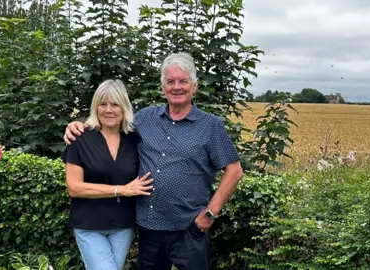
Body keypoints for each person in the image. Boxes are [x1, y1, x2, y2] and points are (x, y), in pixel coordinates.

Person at [63, 52, 243, 270]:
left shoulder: (210, 126)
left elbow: (234, 170)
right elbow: (110, 122)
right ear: (163, 88)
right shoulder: (144, 119)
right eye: (170, 82)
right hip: (149, 229)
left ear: (194, 87)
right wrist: (77, 125)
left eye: (183, 81)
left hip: (189, 228)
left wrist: (210, 214)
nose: (177, 87)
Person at [61, 79, 153, 270]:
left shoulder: (135, 139)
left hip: (123, 225)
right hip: (89, 225)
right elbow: (74, 187)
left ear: (124, 107)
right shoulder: (80, 137)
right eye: (103, 104)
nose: (108, 110)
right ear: (96, 107)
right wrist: (122, 190)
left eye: (115, 104)